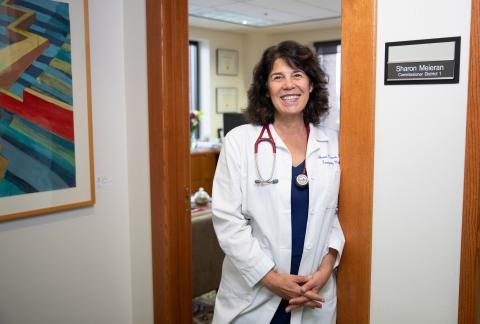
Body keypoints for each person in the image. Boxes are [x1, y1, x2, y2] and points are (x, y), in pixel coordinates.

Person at [211, 40, 344, 324]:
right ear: (265, 89)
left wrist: (326, 267)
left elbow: (339, 214)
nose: (289, 85)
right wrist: (269, 278)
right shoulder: (240, 141)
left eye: (298, 75)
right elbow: (227, 220)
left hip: (312, 291)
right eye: (277, 77)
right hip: (255, 294)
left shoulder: (333, 143)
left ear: (311, 84)